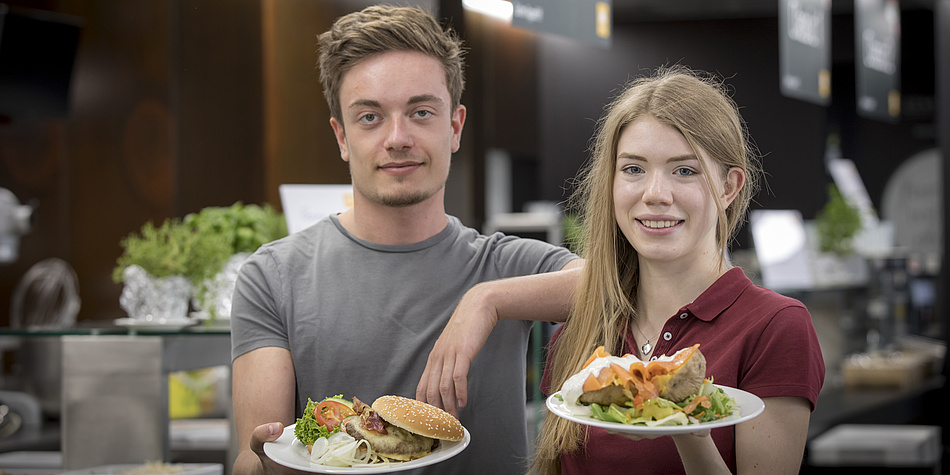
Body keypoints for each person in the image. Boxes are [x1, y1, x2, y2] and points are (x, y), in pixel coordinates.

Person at [419, 66, 825, 474]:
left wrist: (687, 426)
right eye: (633, 169)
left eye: (684, 170)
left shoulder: (776, 327)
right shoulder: (581, 333)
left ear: (728, 186)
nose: (655, 194)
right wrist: (484, 298)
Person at [229, 5, 580, 475]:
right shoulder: (272, 277)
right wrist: (265, 464)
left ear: (454, 127)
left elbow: (614, 284)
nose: (398, 138)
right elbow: (256, 456)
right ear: (342, 137)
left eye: (420, 112)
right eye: (370, 117)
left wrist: (487, 300)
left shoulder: (502, 264)